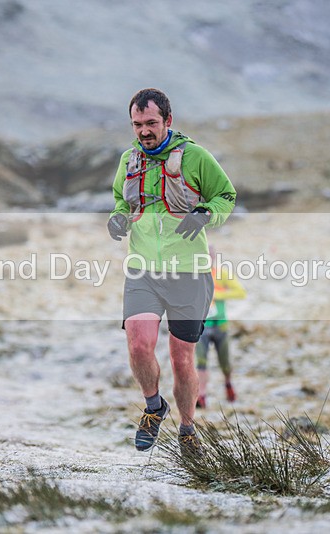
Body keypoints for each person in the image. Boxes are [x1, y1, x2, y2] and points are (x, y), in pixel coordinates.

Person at [107, 88, 237, 456]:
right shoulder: (128, 160)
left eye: (151, 123)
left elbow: (225, 196)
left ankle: (187, 428)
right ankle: (153, 407)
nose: (144, 131)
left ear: (168, 120)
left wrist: (205, 215)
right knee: (138, 342)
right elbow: (121, 199)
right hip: (143, 268)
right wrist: (117, 219)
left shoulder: (195, 157)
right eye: (137, 125)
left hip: (189, 272)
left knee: (182, 358)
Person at [195, 246, 246, 409]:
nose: (208, 259)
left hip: (220, 326)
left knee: (224, 362)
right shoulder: (194, 276)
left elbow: (240, 292)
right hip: (201, 326)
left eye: (210, 256)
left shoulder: (222, 274)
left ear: (214, 257)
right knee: (201, 363)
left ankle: (228, 383)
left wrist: (217, 295)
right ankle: (201, 395)